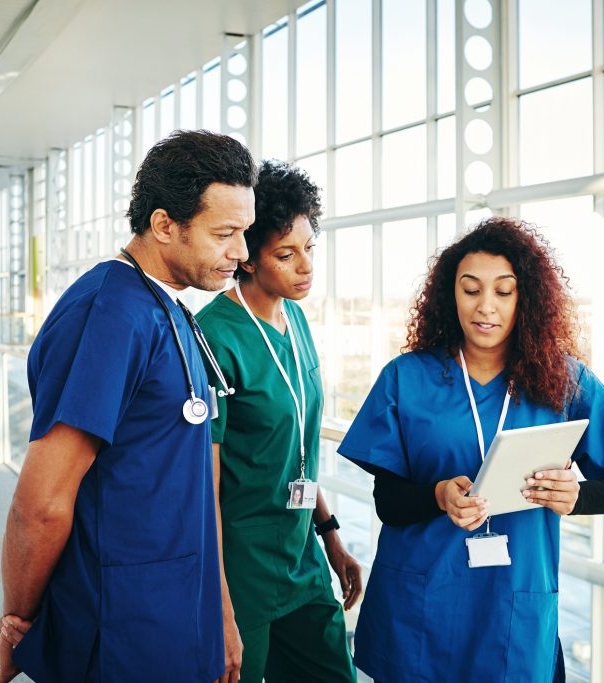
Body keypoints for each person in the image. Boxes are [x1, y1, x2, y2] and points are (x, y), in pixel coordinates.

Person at [0, 130, 257, 683]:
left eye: (244, 232)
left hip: (175, 612)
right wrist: (19, 621)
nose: (242, 252)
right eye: (225, 233)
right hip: (120, 625)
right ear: (164, 225)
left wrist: (217, 613)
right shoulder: (108, 314)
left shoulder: (168, 306)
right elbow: (41, 505)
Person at [337, 217, 604, 683]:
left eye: (504, 291)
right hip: (421, 606)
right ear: (450, 296)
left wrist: (577, 496)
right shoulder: (405, 377)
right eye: (471, 290)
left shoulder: (565, 381)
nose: (485, 306)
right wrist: (438, 496)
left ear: (525, 298)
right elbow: (387, 503)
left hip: (512, 607)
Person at [195, 160, 361, 683]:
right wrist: (220, 606)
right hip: (241, 568)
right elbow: (204, 486)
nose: (305, 266)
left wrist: (331, 536)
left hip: (301, 555)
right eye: (286, 255)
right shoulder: (213, 338)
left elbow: (299, 450)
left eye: (310, 248)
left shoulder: (296, 318)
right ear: (246, 257)